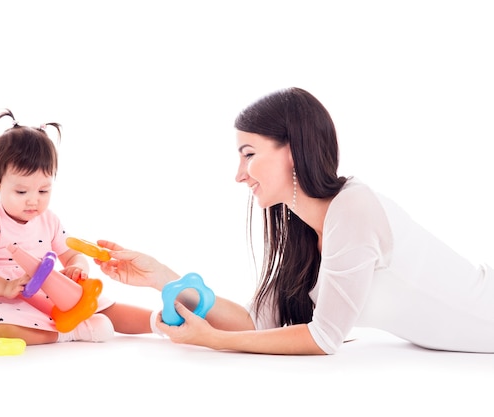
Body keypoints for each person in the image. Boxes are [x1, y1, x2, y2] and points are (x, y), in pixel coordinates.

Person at [94, 87, 494, 355]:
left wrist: (213, 340)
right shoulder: (302, 227)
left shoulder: (354, 209)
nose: (239, 173)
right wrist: (161, 278)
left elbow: (324, 337)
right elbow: (254, 323)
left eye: (248, 154)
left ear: (293, 151)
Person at [0, 109, 152, 345]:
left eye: (43, 191)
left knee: (99, 304)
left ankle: (159, 321)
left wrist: (77, 267)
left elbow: (72, 255)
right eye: (21, 191)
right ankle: (71, 333)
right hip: (5, 302)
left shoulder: (49, 220)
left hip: (47, 293)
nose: (33, 200)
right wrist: (4, 287)